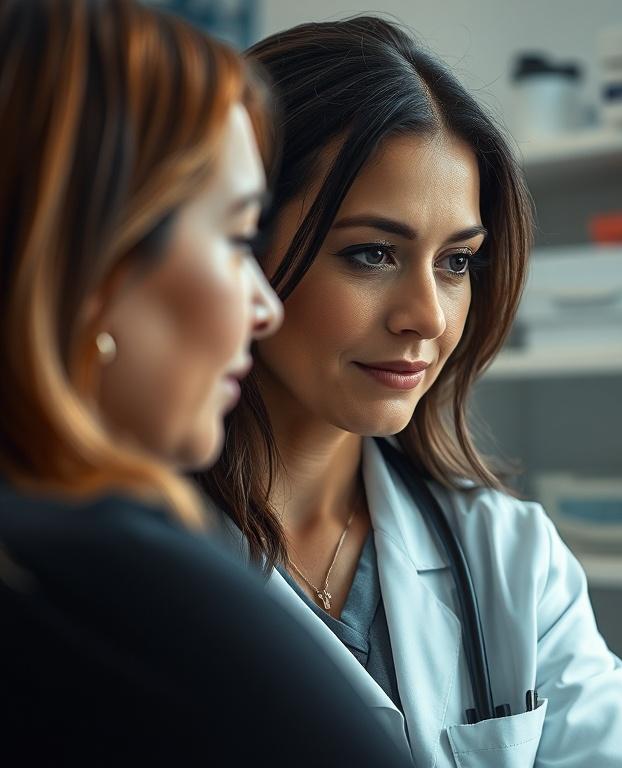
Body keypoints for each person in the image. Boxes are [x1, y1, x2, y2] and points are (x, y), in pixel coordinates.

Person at [199, 17, 622, 768]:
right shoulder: (96, 550)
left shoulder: (510, 558)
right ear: (239, 246)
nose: (428, 317)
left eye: (456, 262)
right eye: (371, 253)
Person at [0, 2, 408, 764]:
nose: (263, 305)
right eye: (235, 237)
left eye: (461, 261)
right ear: (93, 263)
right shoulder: (98, 573)